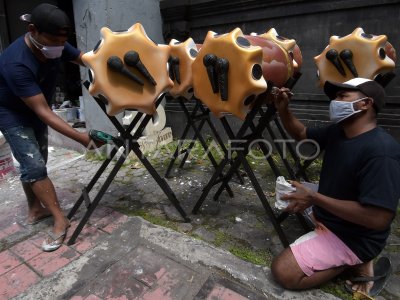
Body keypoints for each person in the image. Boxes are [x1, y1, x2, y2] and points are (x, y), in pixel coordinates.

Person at [270, 78, 400, 296]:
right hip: (329, 214)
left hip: (353, 236)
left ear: (365, 104)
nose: (335, 102)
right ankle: (348, 255)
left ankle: (353, 262)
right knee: (292, 193)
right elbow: (301, 134)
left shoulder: (382, 153)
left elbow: (378, 218)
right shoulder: (339, 132)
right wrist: (283, 109)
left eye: (342, 97)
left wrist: (313, 198)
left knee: (283, 272)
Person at [0, 3, 100, 251]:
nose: (58, 47)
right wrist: (81, 137)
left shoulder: (55, 43)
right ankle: (60, 219)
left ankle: (35, 209)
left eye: (62, 41)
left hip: (35, 106)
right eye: (53, 41)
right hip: (12, 113)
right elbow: (43, 111)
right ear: (33, 30)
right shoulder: (16, 63)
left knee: (36, 160)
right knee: (33, 164)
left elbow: (86, 60)